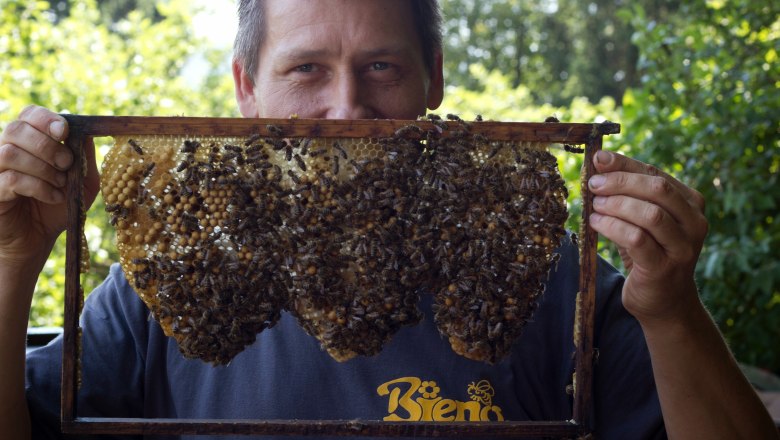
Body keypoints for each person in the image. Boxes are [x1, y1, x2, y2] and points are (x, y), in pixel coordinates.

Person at [1, 0, 776, 439]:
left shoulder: (549, 278)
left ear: (433, 80)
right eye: (306, 69)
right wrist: (12, 262)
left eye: (382, 66)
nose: (346, 106)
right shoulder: (160, 284)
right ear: (246, 87)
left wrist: (673, 314)